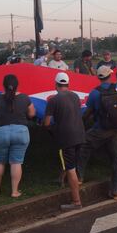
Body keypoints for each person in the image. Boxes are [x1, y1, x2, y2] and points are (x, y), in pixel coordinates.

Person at [78, 66, 117, 199]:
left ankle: (79, 177)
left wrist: (80, 123)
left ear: (98, 77)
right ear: (110, 76)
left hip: (101, 129)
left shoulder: (95, 93)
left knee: (84, 146)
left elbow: (88, 112)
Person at [0, 74, 35, 198]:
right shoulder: (25, 98)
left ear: (4, 85)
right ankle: (14, 191)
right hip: (21, 132)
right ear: (17, 85)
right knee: (16, 162)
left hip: (0, 133)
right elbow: (32, 113)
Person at [43, 72, 86, 209]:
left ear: (56, 84)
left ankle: (76, 201)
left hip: (66, 138)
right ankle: (63, 181)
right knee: (73, 165)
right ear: (67, 84)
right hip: (80, 134)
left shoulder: (53, 100)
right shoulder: (75, 96)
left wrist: (51, 128)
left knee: (70, 168)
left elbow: (47, 122)